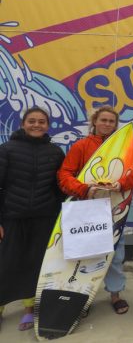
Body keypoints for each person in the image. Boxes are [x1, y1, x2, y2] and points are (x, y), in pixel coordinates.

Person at [57, 105, 133, 315]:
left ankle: (116, 294)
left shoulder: (125, 147)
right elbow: (64, 175)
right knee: (87, 255)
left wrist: (122, 184)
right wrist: (84, 189)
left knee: (115, 255)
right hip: (86, 209)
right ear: (94, 122)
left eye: (111, 121)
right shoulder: (81, 146)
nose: (107, 124)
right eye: (103, 120)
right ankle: (84, 296)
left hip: (115, 209)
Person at [0, 107, 65, 331]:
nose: (36, 125)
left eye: (41, 122)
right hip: (12, 217)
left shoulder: (56, 152)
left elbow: (59, 189)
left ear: (48, 126)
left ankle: (29, 309)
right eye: (32, 121)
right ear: (23, 123)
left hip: (44, 217)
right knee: (6, 263)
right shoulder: (6, 150)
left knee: (35, 264)